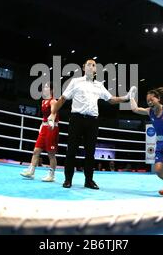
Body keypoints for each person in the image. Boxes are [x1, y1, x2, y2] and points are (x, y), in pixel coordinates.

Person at [48, 59, 135, 189]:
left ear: (95, 70)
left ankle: (89, 181)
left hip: (92, 121)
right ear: (84, 68)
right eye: (88, 64)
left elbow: (110, 99)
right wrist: (53, 113)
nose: (91, 66)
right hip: (77, 119)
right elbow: (63, 99)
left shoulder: (99, 85)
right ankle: (68, 179)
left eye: (93, 65)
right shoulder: (75, 81)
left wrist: (126, 97)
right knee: (71, 150)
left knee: (90, 152)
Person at [20, 83, 59, 182]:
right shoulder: (43, 102)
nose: (44, 89)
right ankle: (31, 171)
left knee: (51, 154)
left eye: (46, 87)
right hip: (44, 128)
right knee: (36, 151)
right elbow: (45, 116)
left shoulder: (53, 101)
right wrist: (42, 125)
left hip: (52, 128)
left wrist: (51, 123)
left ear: (51, 90)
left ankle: (51, 175)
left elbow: (53, 114)